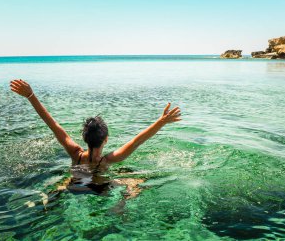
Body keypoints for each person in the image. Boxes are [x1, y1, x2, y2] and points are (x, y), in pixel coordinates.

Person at [10, 79, 181, 201]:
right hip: (102, 190)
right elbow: (137, 140)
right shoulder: (109, 159)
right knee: (137, 182)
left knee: (65, 182)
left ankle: (53, 194)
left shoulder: (75, 153)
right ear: (106, 139)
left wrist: (31, 95)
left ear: (84, 138)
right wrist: (161, 121)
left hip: (75, 187)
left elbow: (52, 123)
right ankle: (121, 204)